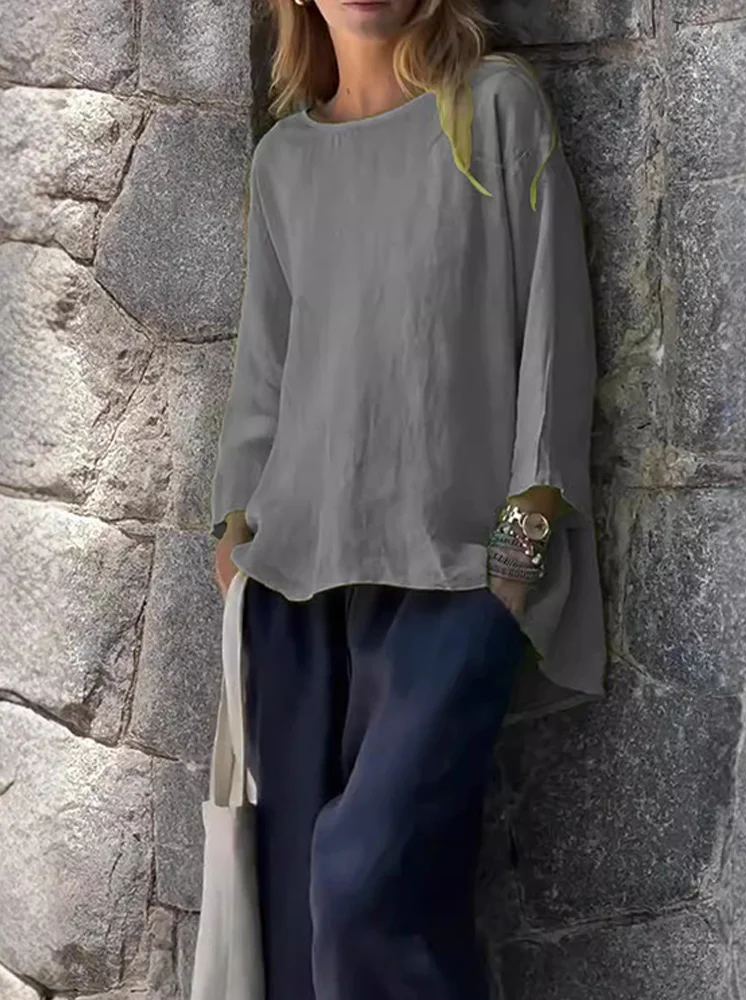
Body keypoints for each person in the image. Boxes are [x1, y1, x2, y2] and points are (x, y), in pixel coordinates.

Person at [209, 0, 607, 995]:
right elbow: (263, 379)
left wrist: (517, 558)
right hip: (291, 593)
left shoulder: (496, 109)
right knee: (301, 939)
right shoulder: (284, 162)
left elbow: (554, 337)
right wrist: (232, 540)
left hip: (459, 582)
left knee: (360, 888)